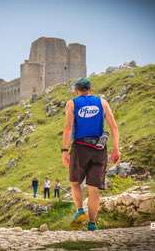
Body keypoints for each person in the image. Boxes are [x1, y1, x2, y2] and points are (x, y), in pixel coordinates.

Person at [61, 77, 120, 231]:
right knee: (93, 189)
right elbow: (114, 127)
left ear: (76, 90)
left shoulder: (72, 103)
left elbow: (68, 128)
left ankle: (80, 211)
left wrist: (65, 151)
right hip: (99, 149)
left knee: (75, 183)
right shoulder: (102, 102)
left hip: (80, 149)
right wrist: (116, 149)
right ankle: (92, 224)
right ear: (90, 89)